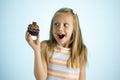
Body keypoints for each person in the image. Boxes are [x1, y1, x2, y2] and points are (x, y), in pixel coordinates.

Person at [25, 7, 87, 80]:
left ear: (74, 29)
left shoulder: (81, 50)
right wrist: (36, 50)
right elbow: (40, 78)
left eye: (65, 25)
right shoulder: (45, 47)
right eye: (56, 24)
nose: (60, 28)